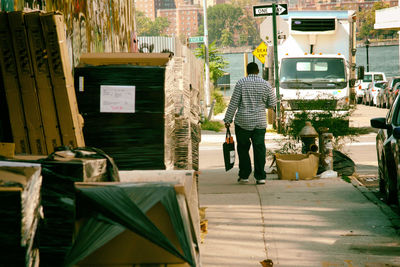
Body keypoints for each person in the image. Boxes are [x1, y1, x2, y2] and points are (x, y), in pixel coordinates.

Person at [223, 62, 277, 185]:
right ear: (258, 71)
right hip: (259, 122)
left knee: (243, 148)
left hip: (243, 122)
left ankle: (244, 175)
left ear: (247, 71)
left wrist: (227, 119)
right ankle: (260, 177)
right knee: (259, 148)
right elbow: (272, 103)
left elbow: (234, 103)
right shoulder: (266, 84)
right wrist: (263, 104)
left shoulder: (241, 83)